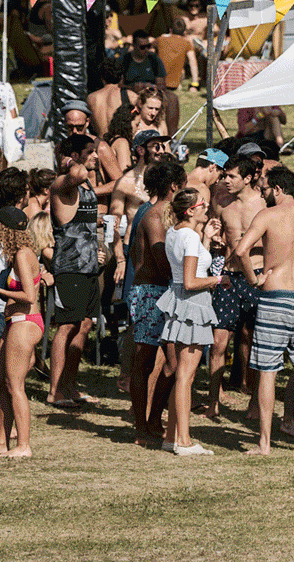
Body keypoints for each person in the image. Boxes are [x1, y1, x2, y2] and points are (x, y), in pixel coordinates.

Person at [235, 166, 294, 455]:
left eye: (265, 190)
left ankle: (264, 443)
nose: (263, 195)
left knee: (268, 371)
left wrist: (254, 279)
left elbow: (240, 251)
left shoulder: (267, 216)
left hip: (274, 296)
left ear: (277, 189)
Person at [157, 188, 222, 455]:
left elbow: (191, 268)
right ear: (191, 211)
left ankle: (173, 436)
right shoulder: (189, 237)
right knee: (186, 375)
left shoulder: (176, 232)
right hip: (193, 304)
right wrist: (219, 280)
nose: (207, 208)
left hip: (180, 302)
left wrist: (206, 239)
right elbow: (192, 280)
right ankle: (183, 440)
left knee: (183, 374)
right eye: (202, 204)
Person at [0, 208, 45, 458]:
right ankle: (1, 442)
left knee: (15, 385)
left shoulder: (22, 255)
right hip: (14, 321)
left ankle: (23, 445)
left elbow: (29, 296)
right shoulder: (20, 254)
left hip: (24, 321)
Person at [126, 160, 185, 443]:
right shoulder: (154, 216)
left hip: (167, 291)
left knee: (174, 362)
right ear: (174, 186)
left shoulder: (169, 215)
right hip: (150, 292)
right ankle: (141, 427)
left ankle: (153, 419)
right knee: (144, 361)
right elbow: (162, 260)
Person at [207, 154, 265, 419]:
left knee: (257, 340)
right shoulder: (222, 204)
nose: (226, 180)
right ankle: (213, 402)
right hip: (229, 277)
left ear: (248, 178)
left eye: (232, 176)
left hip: (257, 275)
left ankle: (255, 401)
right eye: (224, 175)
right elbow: (215, 239)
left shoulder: (264, 205)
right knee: (219, 342)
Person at [48, 134, 103, 408]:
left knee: (84, 325)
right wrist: (67, 157)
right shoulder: (63, 183)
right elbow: (78, 172)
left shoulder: (86, 181)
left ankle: (70, 386)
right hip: (69, 266)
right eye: (90, 152)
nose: (95, 156)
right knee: (67, 325)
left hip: (89, 265)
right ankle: (55, 389)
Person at [87, 57, 125, 138]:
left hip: (100, 144)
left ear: (102, 78)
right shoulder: (130, 96)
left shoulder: (91, 98)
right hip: (121, 144)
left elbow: (91, 125)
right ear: (122, 77)